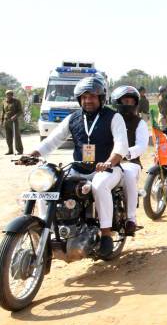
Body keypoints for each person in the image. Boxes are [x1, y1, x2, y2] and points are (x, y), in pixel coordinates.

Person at [26, 76, 129, 257]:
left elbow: (121, 145)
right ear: (79, 99)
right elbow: (53, 140)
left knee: (99, 186)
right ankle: (46, 229)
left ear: (101, 98)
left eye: (92, 96)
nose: (88, 100)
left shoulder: (114, 117)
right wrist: (33, 154)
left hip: (108, 169)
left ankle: (105, 234)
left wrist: (109, 162)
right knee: (48, 188)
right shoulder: (73, 118)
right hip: (78, 168)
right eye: (84, 97)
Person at [111, 86, 149, 236]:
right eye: (125, 100)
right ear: (117, 102)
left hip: (129, 163)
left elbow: (141, 146)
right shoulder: (108, 119)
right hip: (106, 162)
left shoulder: (139, 123)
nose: (128, 104)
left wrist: (125, 154)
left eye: (131, 101)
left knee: (127, 176)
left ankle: (131, 219)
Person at [1, 90, 24, 155]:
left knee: (17, 137)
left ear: (12, 95)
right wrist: (1, 121)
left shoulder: (17, 101)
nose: (8, 95)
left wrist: (15, 116)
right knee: (8, 137)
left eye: (10, 94)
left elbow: (20, 111)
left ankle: (19, 150)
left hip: (14, 121)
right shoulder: (4, 101)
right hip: (6, 121)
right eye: (7, 94)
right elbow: (3, 112)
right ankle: (10, 150)